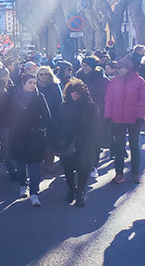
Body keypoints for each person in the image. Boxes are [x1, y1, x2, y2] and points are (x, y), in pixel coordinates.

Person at [0, 73, 51, 207]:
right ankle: (23, 185)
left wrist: (40, 127)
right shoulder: (12, 96)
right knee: (20, 163)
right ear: (23, 83)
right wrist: (10, 126)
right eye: (30, 82)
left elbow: (47, 116)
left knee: (34, 165)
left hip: (34, 136)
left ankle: (34, 192)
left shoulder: (39, 97)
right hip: (17, 135)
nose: (33, 85)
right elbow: (3, 113)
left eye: (34, 83)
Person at [53, 79, 101, 207]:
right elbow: (58, 124)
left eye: (77, 91)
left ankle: (80, 194)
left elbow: (95, 126)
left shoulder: (90, 106)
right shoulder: (64, 106)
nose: (74, 94)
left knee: (84, 170)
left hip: (84, 143)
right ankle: (71, 189)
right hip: (67, 143)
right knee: (68, 169)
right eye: (71, 91)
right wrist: (57, 140)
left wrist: (92, 142)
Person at [105, 56, 145, 184]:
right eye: (117, 68)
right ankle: (119, 173)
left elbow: (144, 100)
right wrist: (108, 116)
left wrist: (140, 116)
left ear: (128, 68)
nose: (118, 70)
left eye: (120, 68)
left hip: (134, 119)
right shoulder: (114, 81)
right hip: (117, 118)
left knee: (134, 146)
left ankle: (135, 173)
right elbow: (109, 100)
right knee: (119, 147)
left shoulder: (139, 81)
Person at [76, 55, 110, 178]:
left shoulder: (102, 80)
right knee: (80, 141)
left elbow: (109, 97)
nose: (83, 68)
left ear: (93, 66)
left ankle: (93, 166)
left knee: (95, 142)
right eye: (83, 65)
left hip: (98, 114)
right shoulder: (78, 78)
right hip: (80, 113)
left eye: (86, 66)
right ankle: (81, 164)